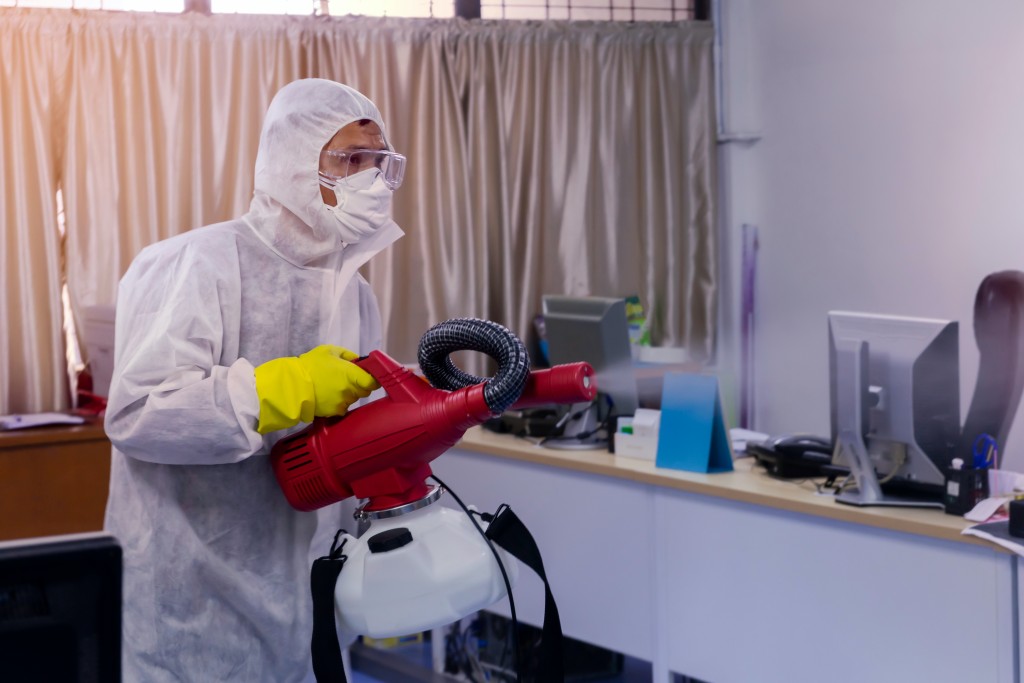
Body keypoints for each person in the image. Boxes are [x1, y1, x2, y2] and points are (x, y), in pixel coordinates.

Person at [103, 78, 406, 682]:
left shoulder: (356, 297)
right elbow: (138, 413)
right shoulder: (197, 263)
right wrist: (278, 390)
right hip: (189, 606)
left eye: (380, 163)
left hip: (306, 600)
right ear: (292, 165)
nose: (370, 181)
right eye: (350, 160)